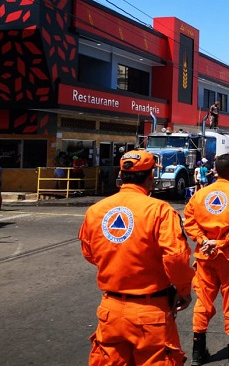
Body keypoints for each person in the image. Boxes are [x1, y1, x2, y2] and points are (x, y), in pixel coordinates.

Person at [78, 150, 195, 365]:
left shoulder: (96, 211)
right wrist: (184, 290)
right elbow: (176, 258)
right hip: (150, 313)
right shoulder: (160, 211)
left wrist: (118, 262)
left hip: (110, 311)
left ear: (121, 175)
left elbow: (90, 253)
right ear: (151, 177)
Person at [183, 153, 229, 366]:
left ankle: (197, 353)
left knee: (203, 302)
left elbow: (189, 220)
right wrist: (221, 243)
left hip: (205, 256)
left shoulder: (200, 195)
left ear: (215, 170)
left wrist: (204, 239)